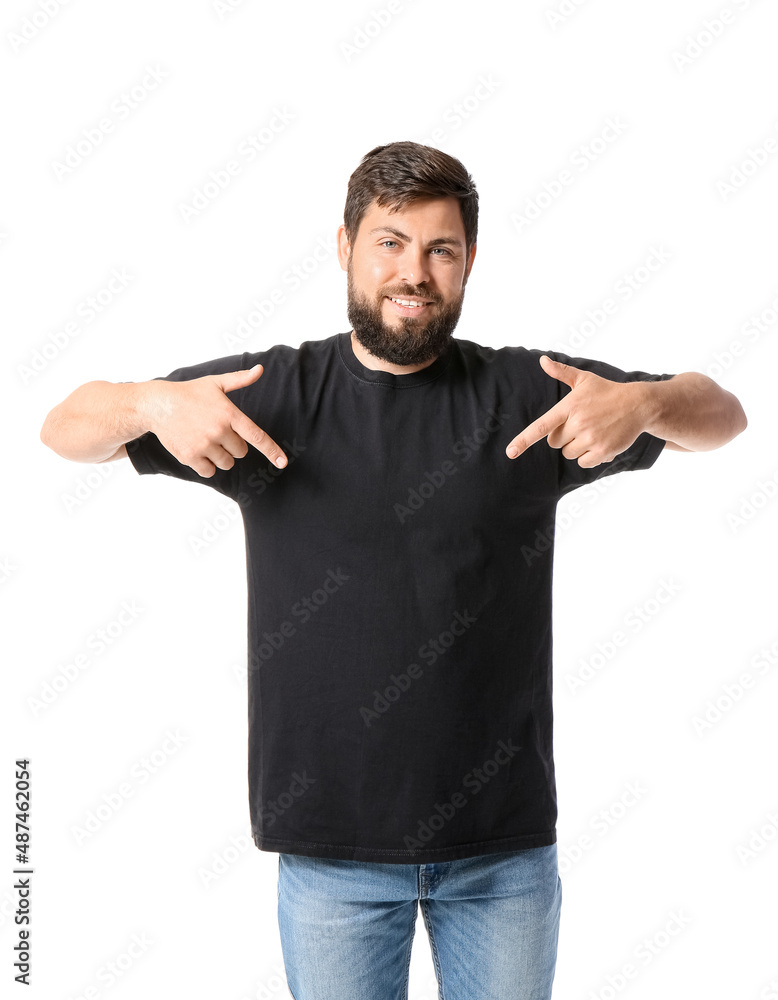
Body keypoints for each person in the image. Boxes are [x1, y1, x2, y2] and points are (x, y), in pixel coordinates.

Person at [40, 141, 747, 1000]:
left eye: (440, 249)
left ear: (469, 263)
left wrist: (648, 401)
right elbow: (67, 428)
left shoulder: (531, 396)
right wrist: (149, 401)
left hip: (504, 858)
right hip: (331, 856)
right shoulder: (271, 396)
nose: (413, 272)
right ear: (344, 247)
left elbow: (724, 414)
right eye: (390, 242)